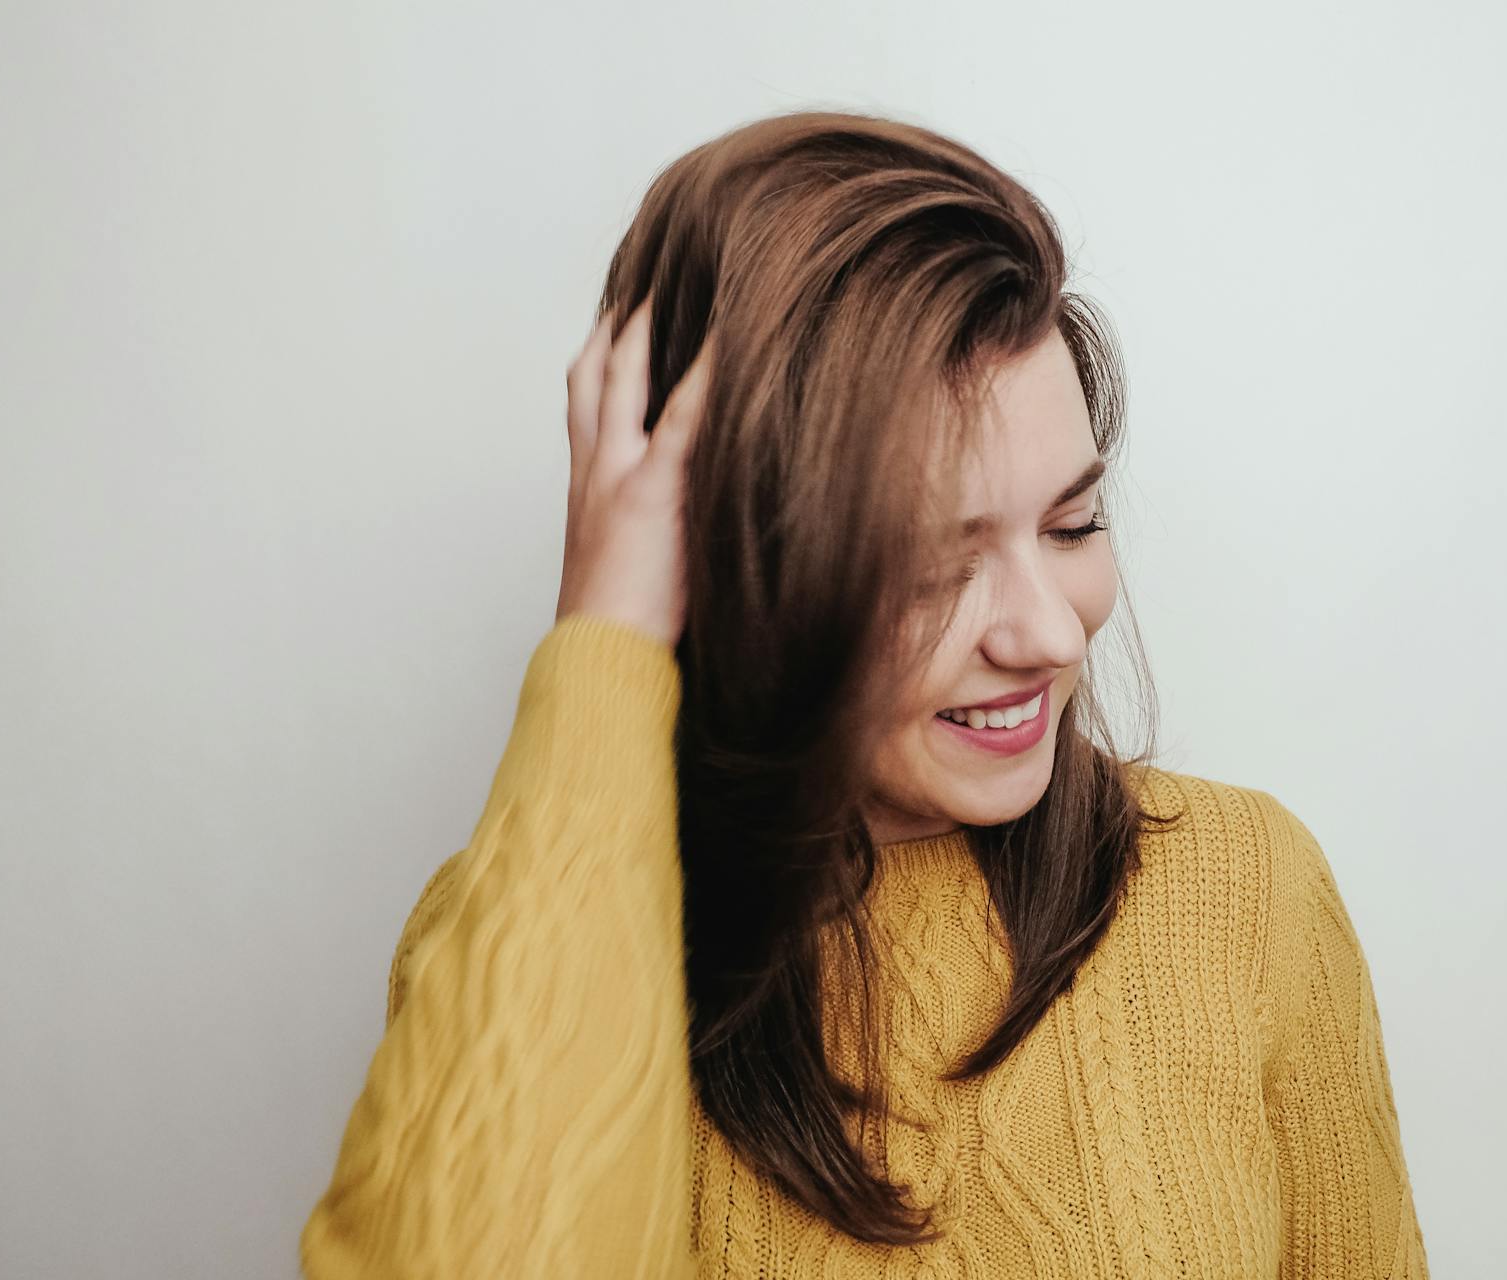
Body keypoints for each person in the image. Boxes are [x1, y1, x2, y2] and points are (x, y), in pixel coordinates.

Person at [300, 108, 1429, 1278]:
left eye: (1074, 522)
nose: (1049, 632)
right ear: (738, 565)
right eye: (936, 566)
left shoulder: (1246, 889)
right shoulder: (523, 931)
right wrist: (606, 637)